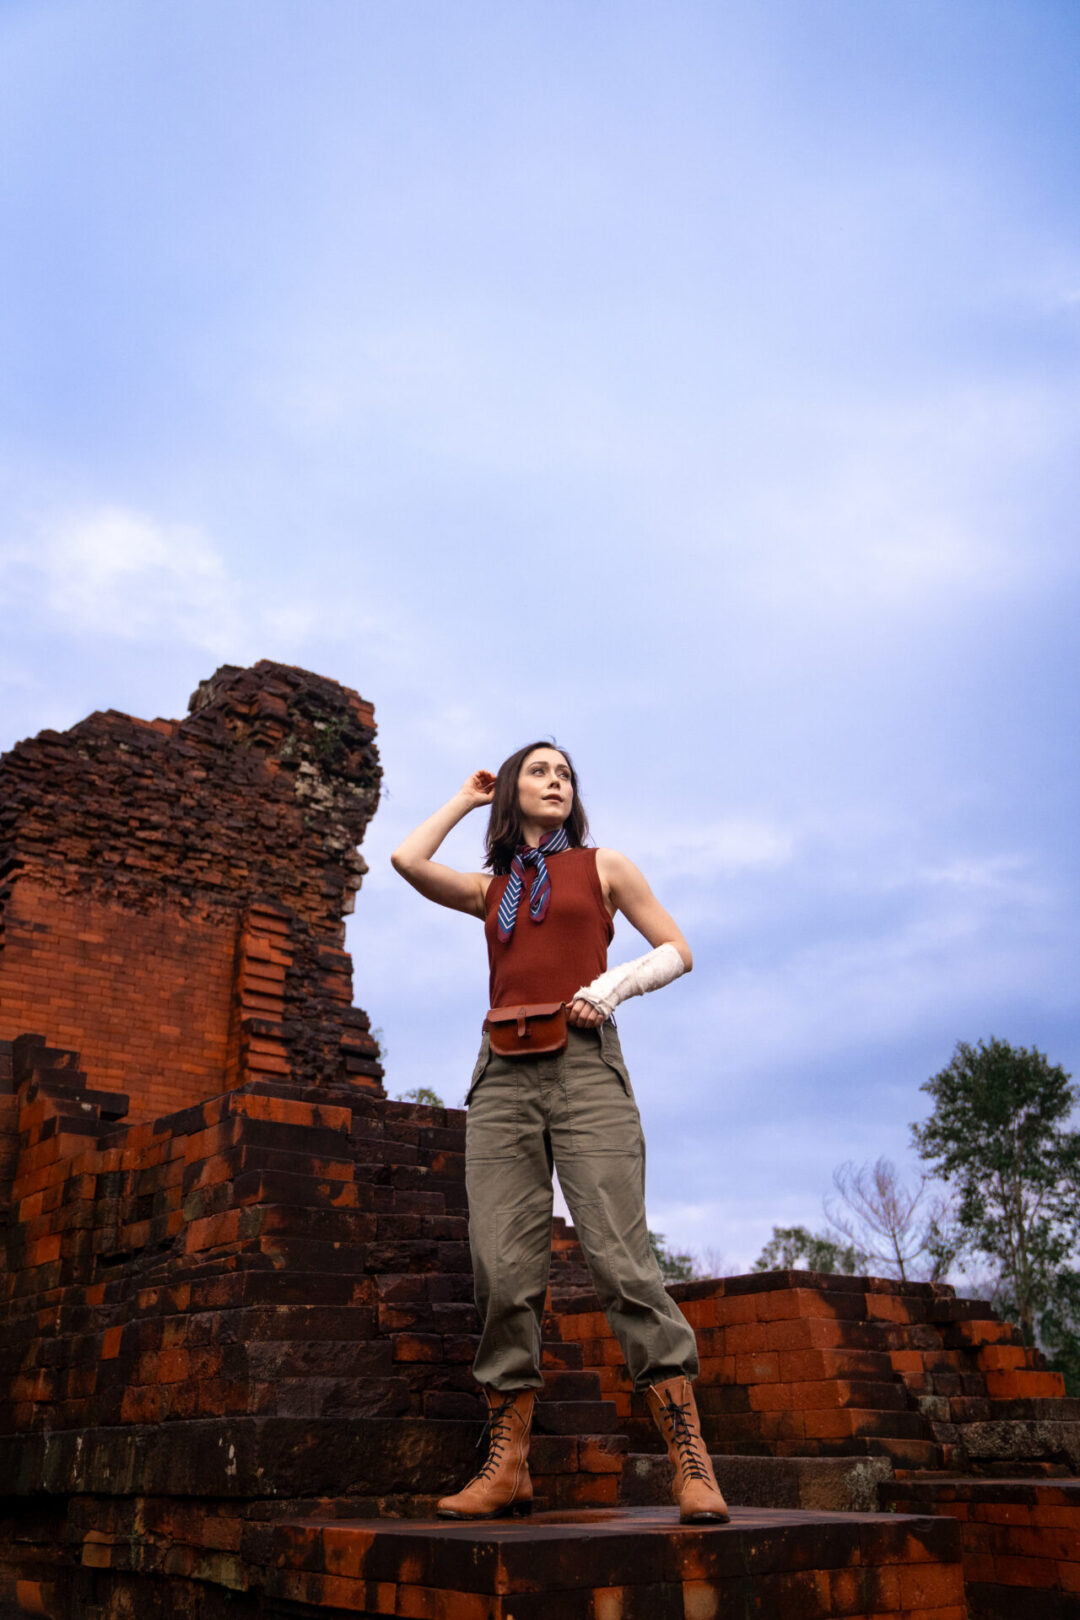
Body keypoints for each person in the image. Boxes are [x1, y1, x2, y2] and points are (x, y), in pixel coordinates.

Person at [391, 742, 729, 1524]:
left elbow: (677, 949)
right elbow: (408, 861)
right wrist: (465, 800)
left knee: (621, 1260)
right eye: (538, 772)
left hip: (585, 1067)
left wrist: (611, 988)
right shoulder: (493, 889)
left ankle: (690, 1460)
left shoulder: (605, 867)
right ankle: (508, 1465)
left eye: (565, 774)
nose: (556, 782)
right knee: (502, 1270)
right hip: (501, 1075)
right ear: (513, 791)